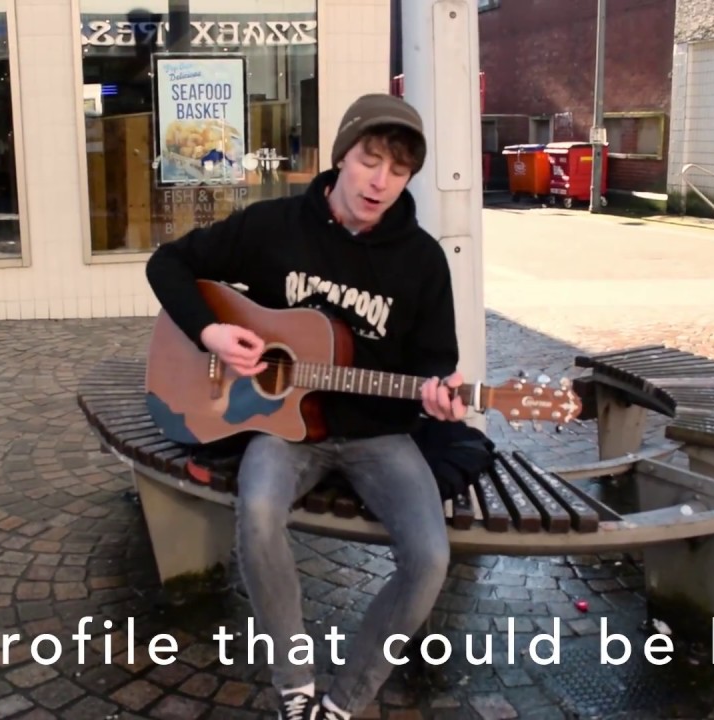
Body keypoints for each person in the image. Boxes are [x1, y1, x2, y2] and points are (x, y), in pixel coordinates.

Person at [145, 93, 463, 720]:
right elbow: (168, 264)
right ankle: (294, 685)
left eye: (398, 171)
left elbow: (435, 363)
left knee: (431, 557)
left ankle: (343, 702)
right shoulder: (275, 226)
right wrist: (211, 333)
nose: (380, 182)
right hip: (283, 429)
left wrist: (437, 396)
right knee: (259, 512)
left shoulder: (423, 261)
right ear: (342, 155)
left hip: (378, 434)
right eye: (369, 161)